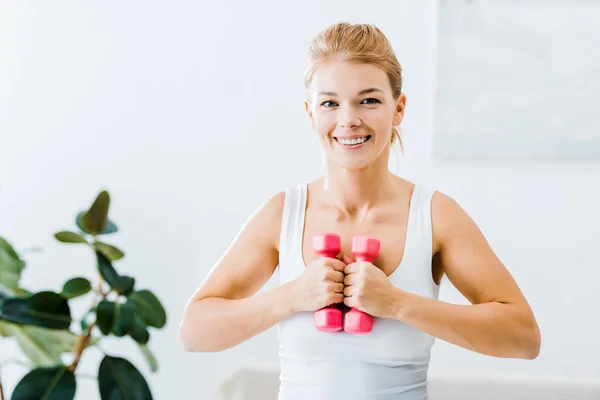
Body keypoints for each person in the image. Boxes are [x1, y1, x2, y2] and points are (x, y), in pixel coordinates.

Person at [179, 22, 541, 399]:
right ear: (310, 113)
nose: (348, 119)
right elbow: (194, 332)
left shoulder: (435, 216)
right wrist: (293, 296)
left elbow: (523, 337)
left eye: (368, 100)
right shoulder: (283, 213)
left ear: (398, 108)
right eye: (330, 103)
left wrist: (398, 303)